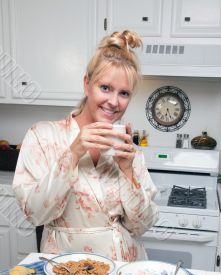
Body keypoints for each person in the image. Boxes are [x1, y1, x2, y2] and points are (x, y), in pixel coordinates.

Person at [13, 30, 158, 262]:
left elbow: (142, 226)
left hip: (125, 269)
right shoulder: (42, 136)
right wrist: (74, 152)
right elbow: (34, 213)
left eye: (124, 93)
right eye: (105, 88)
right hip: (66, 268)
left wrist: (128, 171)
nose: (114, 102)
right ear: (87, 83)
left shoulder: (127, 150)